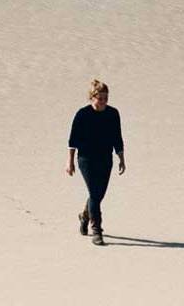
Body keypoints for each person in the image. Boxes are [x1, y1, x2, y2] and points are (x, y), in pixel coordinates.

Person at [66, 78, 125, 245]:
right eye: (100, 98)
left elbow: (117, 137)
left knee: (98, 194)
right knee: (94, 192)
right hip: (86, 159)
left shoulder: (113, 114)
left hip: (105, 158)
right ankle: (97, 231)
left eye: (106, 98)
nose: (103, 102)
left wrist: (121, 157)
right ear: (92, 97)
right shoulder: (82, 114)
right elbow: (73, 140)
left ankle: (85, 215)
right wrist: (70, 162)